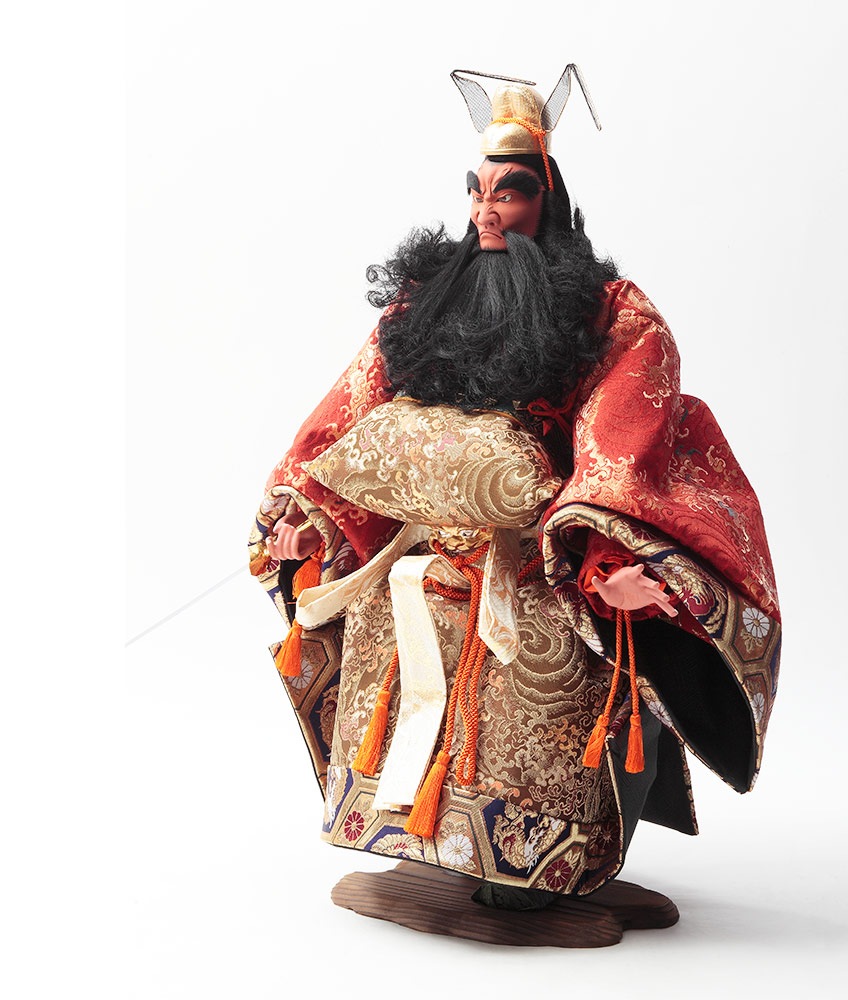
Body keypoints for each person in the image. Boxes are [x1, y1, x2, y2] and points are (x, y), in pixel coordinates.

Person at [249, 69, 781, 907]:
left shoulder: (613, 316)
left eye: (510, 192)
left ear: (548, 197)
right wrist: (304, 516)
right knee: (390, 644)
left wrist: (606, 563)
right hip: (423, 552)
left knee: (547, 665)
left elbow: (621, 447)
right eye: (478, 191)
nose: (487, 212)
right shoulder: (423, 306)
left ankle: (534, 869)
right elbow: (349, 415)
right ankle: (421, 846)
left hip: (542, 562)